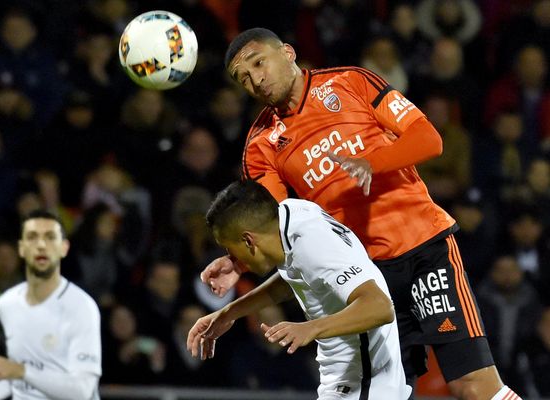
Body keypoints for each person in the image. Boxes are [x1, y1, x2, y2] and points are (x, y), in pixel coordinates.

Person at [200, 28, 521, 400]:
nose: (256, 80)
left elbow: (429, 139)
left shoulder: (351, 82)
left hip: (424, 250)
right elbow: (272, 225)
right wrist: (237, 261)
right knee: (386, 394)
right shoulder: (261, 145)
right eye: (244, 78)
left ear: (287, 53)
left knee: (474, 387)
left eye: (259, 63)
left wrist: (371, 162)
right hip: (363, 280)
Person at [187, 180, 412, 400]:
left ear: (248, 240)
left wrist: (310, 329)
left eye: (229, 248)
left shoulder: (314, 245)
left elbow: (380, 307)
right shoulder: (289, 215)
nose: (229, 255)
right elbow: (295, 279)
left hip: (367, 383)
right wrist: (229, 311)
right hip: (346, 381)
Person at [0, 210, 102, 399]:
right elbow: (14, 378)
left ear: (64, 248)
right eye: (32, 237)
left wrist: (21, 371)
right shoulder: (7, 303)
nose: (41, 245)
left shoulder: (81, 307)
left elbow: (82, 391)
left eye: (50, 238)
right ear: (21, 248)